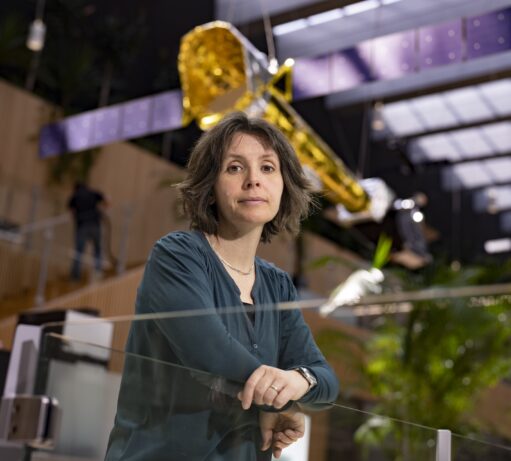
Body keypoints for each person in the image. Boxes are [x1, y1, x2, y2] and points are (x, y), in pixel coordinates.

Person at [105, 112, 339, 461]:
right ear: (210, 187)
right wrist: (283, 401)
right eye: (234, 168)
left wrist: (300, 380)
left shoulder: (277, 284)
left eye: (268, 168)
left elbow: (327, 381)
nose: (253, 181)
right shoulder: (178, 254)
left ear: (284, 186)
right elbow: (209, 352)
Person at [68, 182, 107, 280]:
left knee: (79, 252)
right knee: (97, 250)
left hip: (82, 226)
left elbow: (71, 210)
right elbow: (106, 199)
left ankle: (75, 276)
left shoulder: (75, 196)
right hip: (95, 224)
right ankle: (97, 272)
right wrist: (104, 209)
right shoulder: (92, 192)